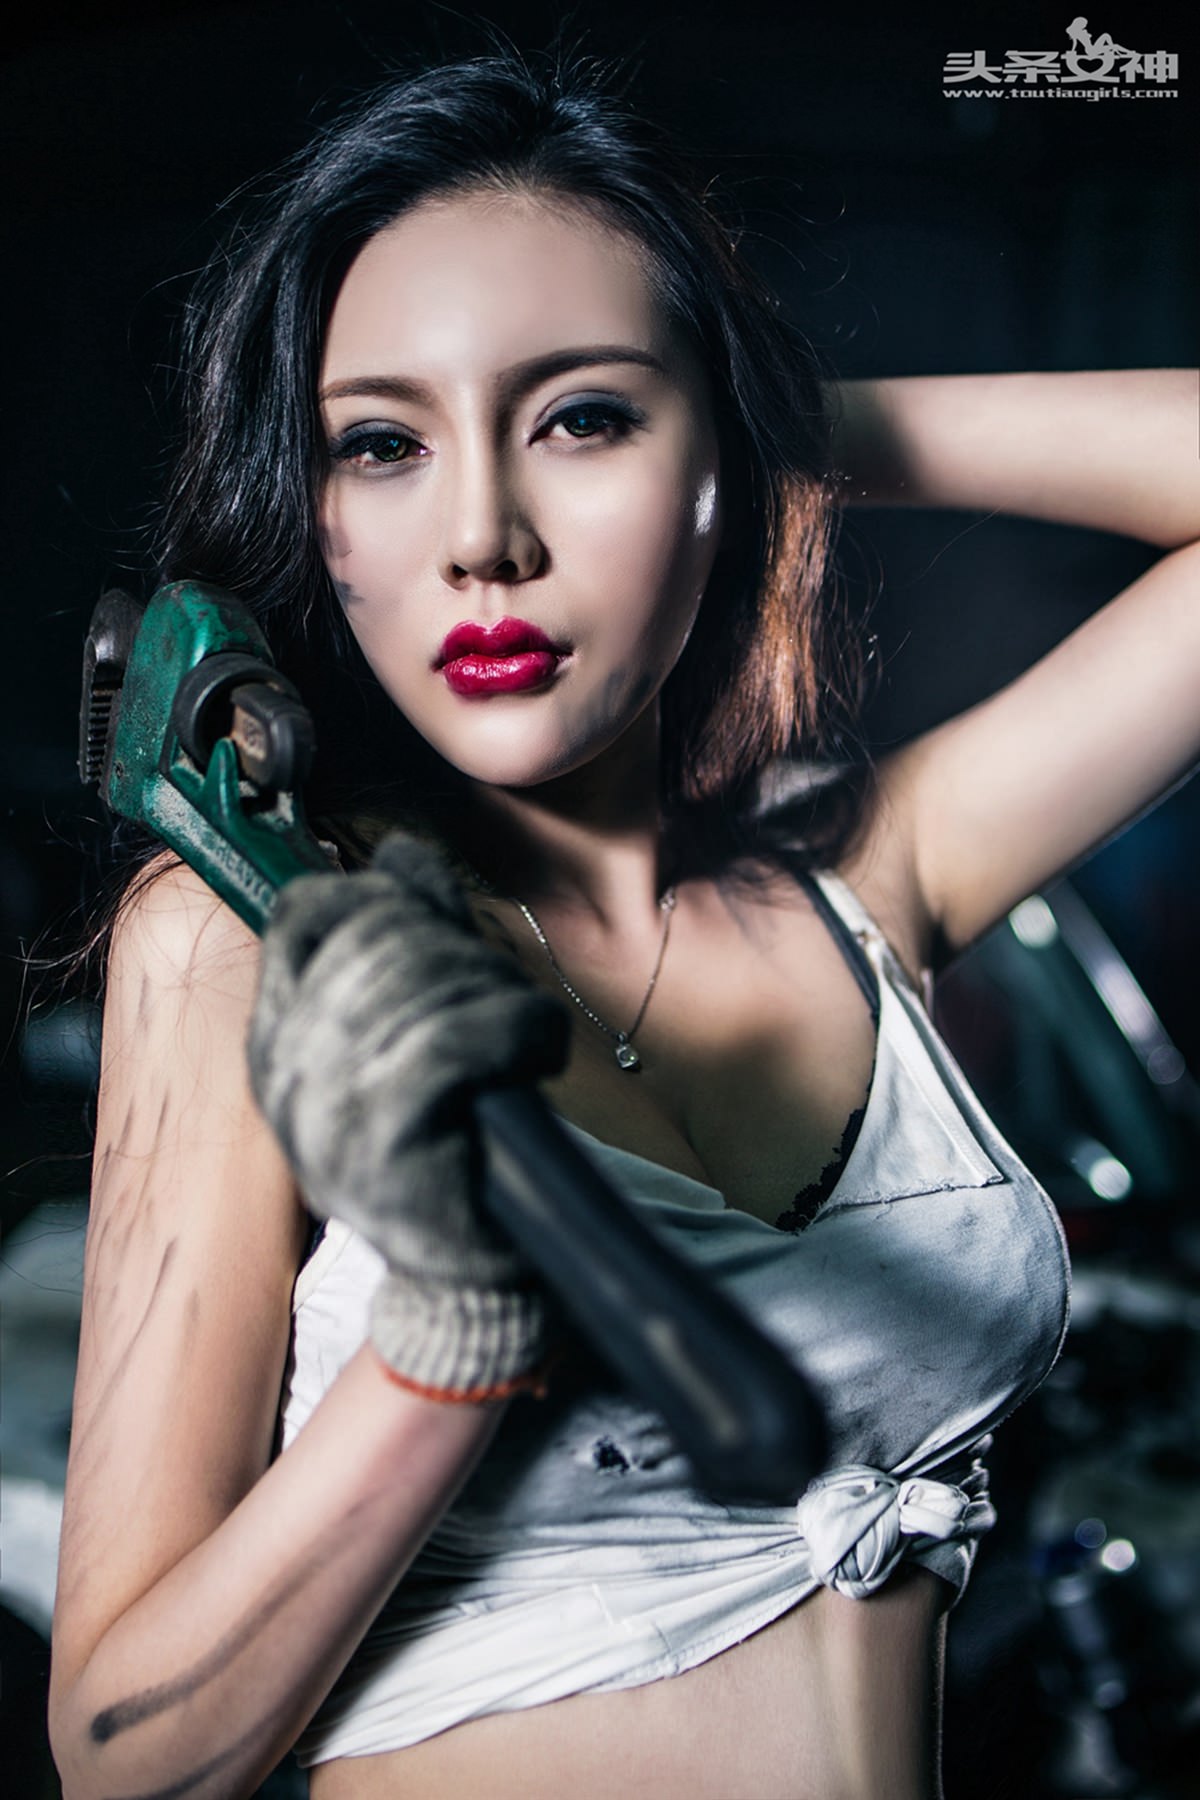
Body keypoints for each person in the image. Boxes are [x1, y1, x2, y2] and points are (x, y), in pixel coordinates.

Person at [48, 48, 1197, 1800]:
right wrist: (447, 1345)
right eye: (384, 444)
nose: (483, 538)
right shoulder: (256, 931)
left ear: (719, 457)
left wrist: (777, 421)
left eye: (582, 418)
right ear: (318, 513)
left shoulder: (866, 883)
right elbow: (126, 1759)